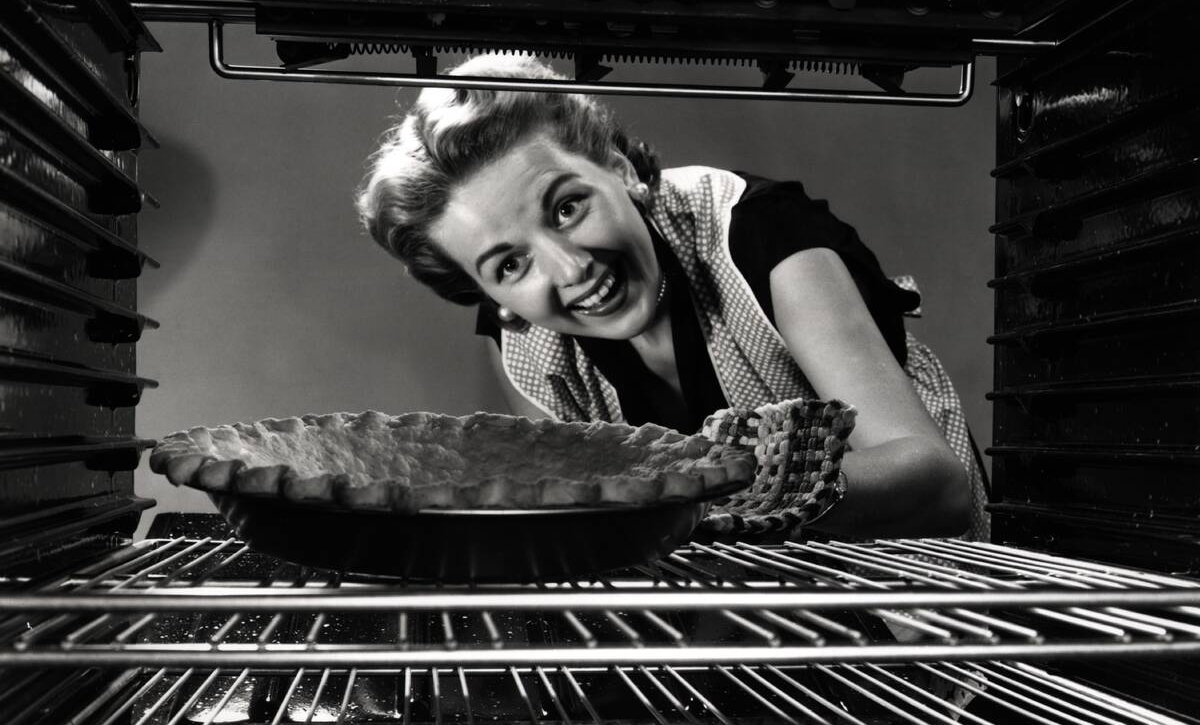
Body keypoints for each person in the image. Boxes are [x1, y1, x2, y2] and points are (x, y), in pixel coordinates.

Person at [356, 53, 989, 541]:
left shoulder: (760, 233)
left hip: (920, 597)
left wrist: (703, 493)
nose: (572, 268)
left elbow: (937, 484)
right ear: (489, 295)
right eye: (511, 264)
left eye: (567, 207)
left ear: (620, 169)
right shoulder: (522, 346)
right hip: (728, 629)